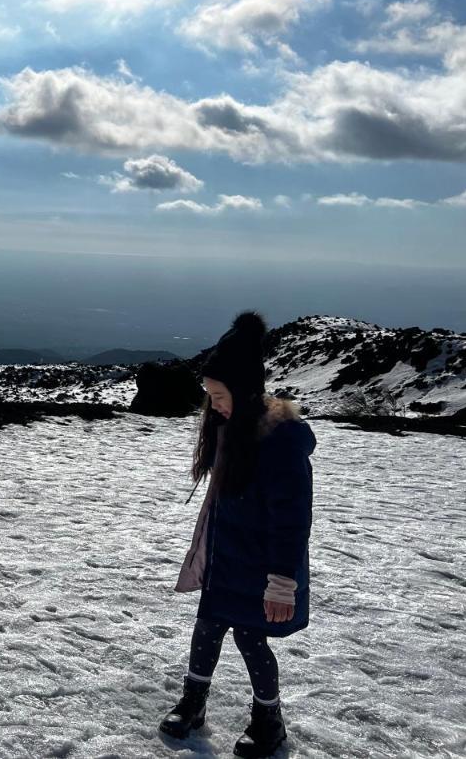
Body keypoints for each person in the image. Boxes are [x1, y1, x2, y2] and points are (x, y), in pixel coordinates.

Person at [158, 309, 317, 758]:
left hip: (263, 567)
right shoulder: (232, 430)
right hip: (228, 558)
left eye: (220, 395)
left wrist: (282, 583)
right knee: (207, 626)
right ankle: (193, 704)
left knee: (251, 638)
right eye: (209, 396)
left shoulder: (280, 441)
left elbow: (292, 519)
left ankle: (269, 722)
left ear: (245, 390)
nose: (215, 404)